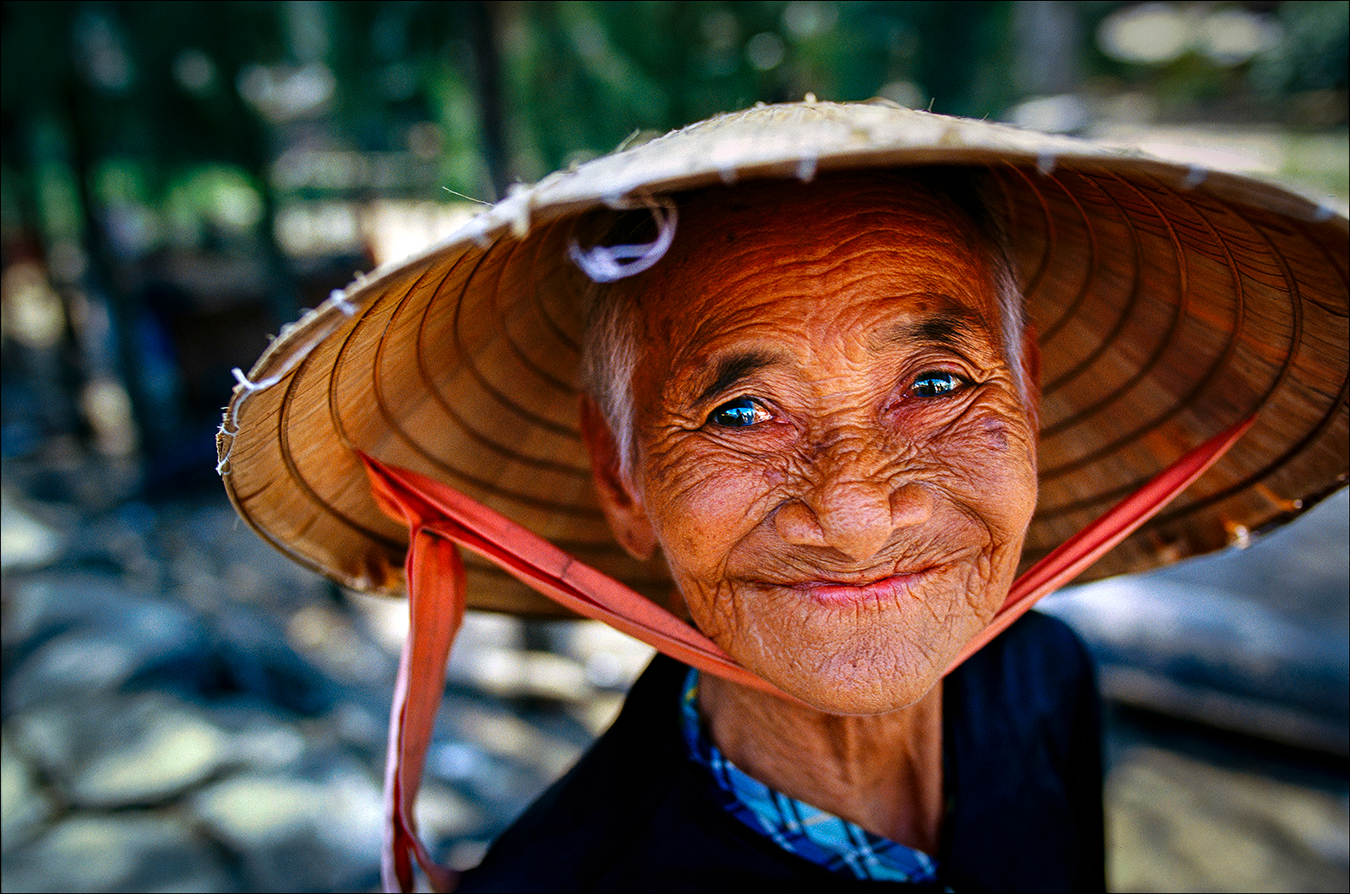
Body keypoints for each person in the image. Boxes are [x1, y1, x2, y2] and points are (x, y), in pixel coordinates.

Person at [217, 101, 1349, 892]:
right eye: (742, 414)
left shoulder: (1044, 680)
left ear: (1030, 400)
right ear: (624, 479)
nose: (857, 512)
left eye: (938, 384)